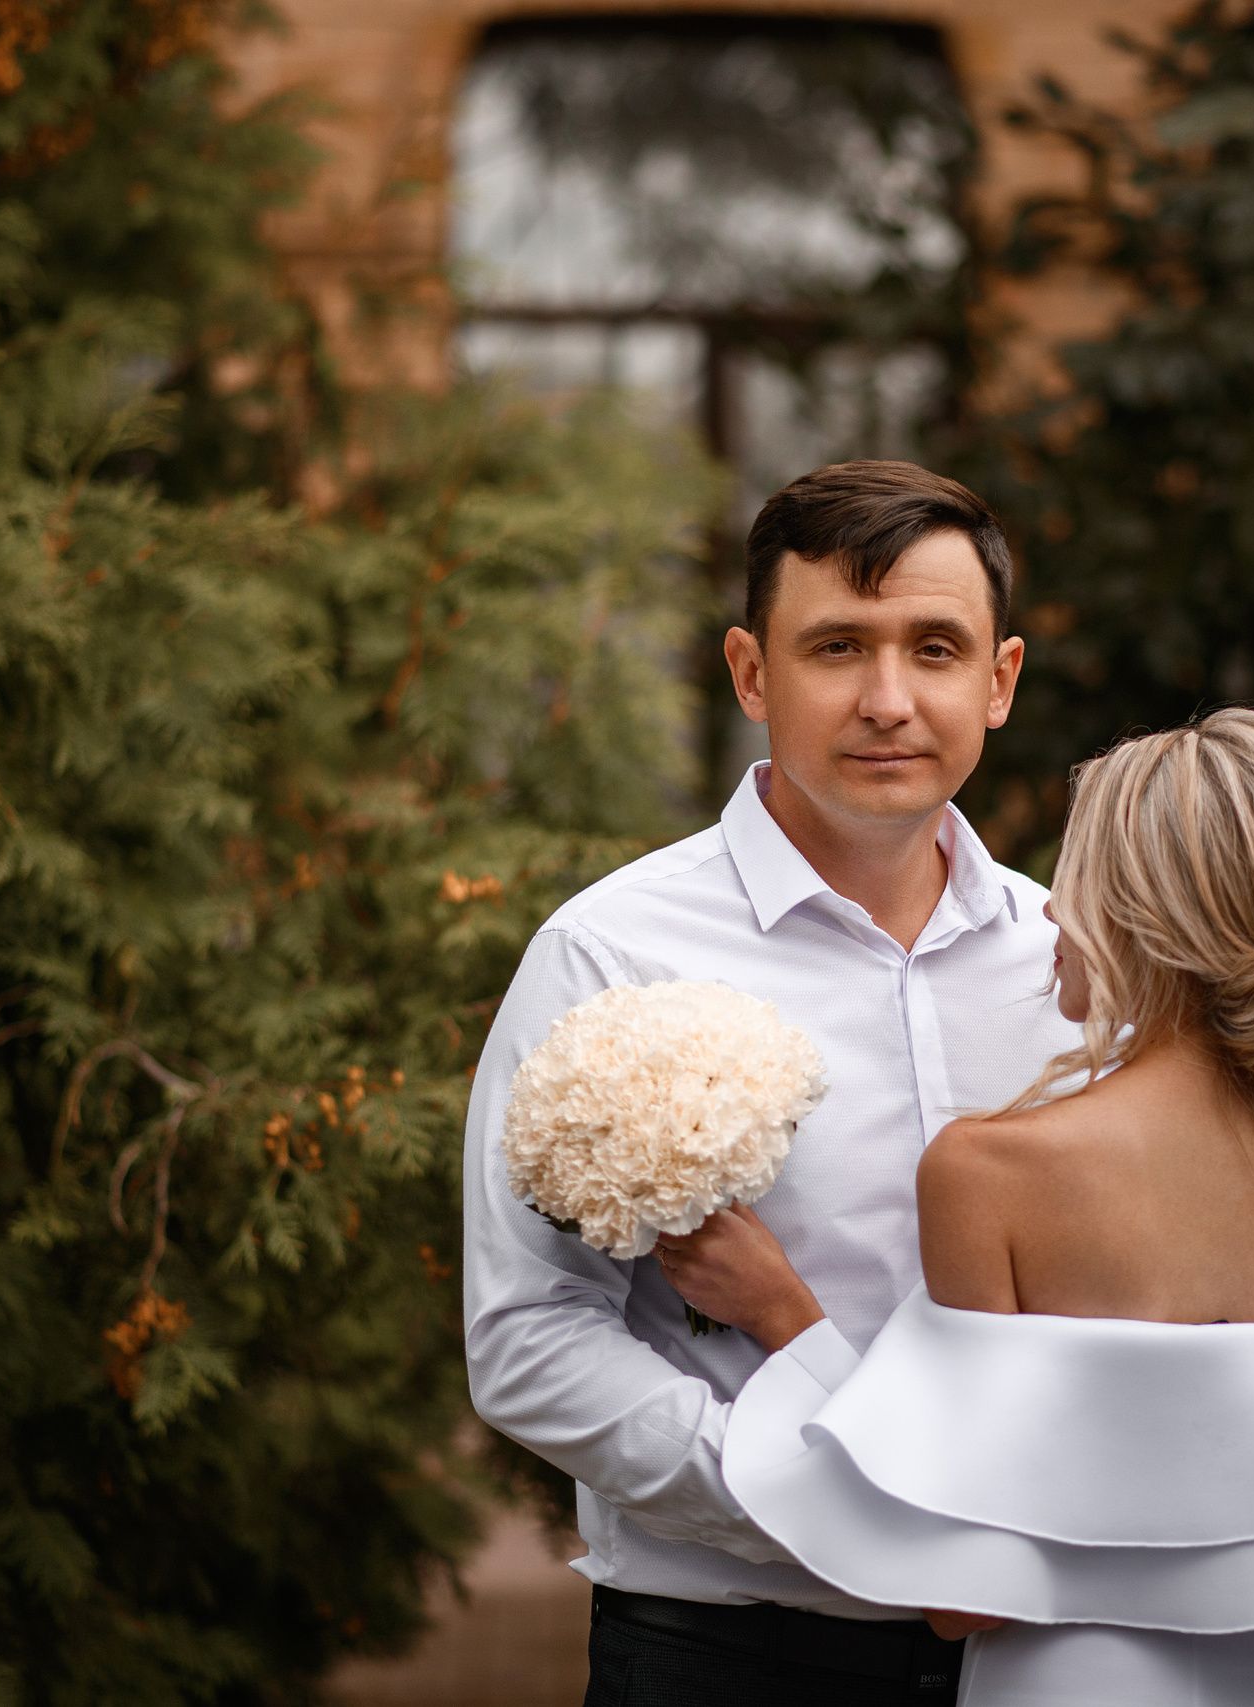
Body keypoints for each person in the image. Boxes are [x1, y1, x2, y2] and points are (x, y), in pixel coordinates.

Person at [669, 710, 1254, 1707]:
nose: (1047, 915)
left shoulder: (988, 1174)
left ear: (1141, 913)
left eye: (1075, 878)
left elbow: (964, 1600)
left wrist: (790, 1324)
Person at [461, 461, 1084, 1704]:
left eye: (936, 649)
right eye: (838, 647)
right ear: (752, 673)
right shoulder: (609, 953)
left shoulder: (1074, 961)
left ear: (1000, 680)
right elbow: (528, 1337)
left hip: (1038, 1657)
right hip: (728, 1656)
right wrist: (816, 1490)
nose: (889, 700)